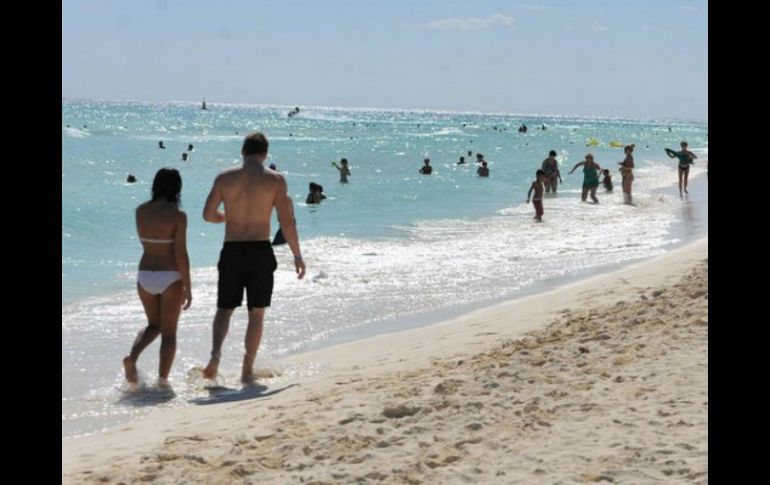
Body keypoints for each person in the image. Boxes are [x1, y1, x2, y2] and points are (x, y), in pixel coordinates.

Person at [202, 132, 305, 384]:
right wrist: (297, 255)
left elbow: (207, 214)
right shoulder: (276, 181)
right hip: (260, 250)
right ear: (265, 153)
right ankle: (246, 370)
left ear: (242, 152)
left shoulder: (224, 178)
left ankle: (215, 356)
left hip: (232, 249)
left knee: (224, 310)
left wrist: (228, 217)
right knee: (256, 313)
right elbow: (286, 222)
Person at [123, 168, 192, 388]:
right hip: (170, 275)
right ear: (177, 188)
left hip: (145, 274)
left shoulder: (140, 211)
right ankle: (162, 381)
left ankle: (132, 358)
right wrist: (188, 287)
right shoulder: (178, 216)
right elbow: (180, 253)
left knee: (154, 325)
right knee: (169, 333)